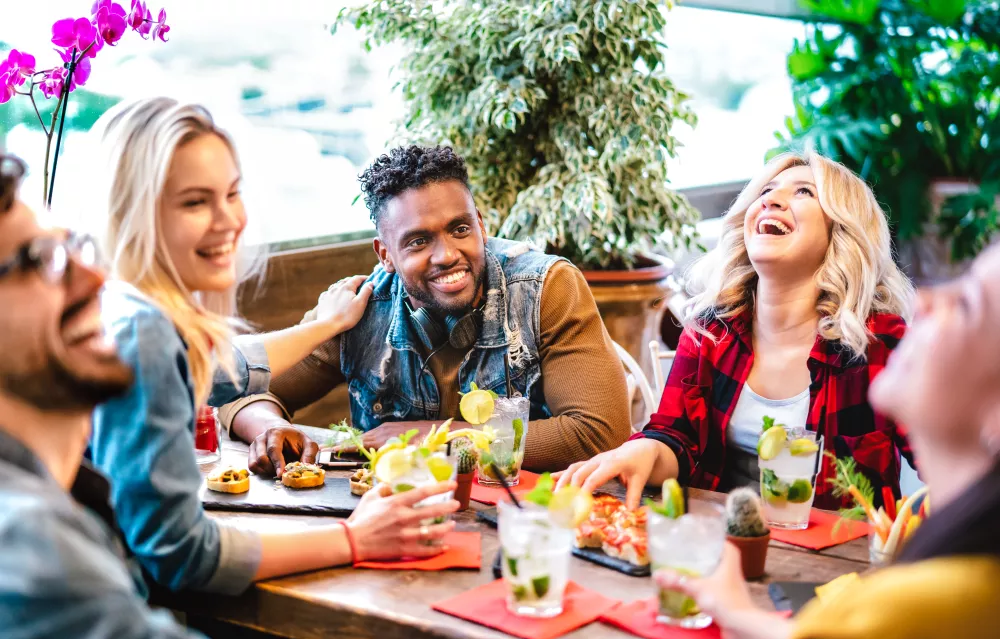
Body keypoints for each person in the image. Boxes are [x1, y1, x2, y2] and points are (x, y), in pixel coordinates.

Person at [85, 98, 458, 599]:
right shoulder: (143, 333)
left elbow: (222, 367)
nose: (228, 221)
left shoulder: (120, 307)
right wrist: (356, 537)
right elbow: (181, 555)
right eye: (195, 202)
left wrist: (325, 325)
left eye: (233, 194)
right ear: (132, 213)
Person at [654, 241, 1000, 639]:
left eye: (967, 305)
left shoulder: (905, 609)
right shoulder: (934, 605)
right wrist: (744, 618)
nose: (925, 299)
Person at [222, 145, 631, 477]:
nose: (447, 255)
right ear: (385, 254)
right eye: (418, 242)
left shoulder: (547, 287)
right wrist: (270, 427)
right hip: (389, 525)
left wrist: (436, 438)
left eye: (460, 229)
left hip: (525, 521)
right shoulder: (359, 308)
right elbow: (232, 388)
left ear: (481, 226)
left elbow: (598, 433)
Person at [556, 151, 916, 509]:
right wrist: (643, 450)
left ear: (842, 230)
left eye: (804, 192)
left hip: (842, 559)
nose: (771, 199)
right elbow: (676, 438)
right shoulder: (711, 331)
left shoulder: (882, 343)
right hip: (719, 545)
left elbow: (952, 462)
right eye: (766, 191)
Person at [0, 151, 243, 639]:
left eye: (71, 249)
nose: (94, 280)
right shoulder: (29, 547)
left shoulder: (64, 502)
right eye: (40, 260)